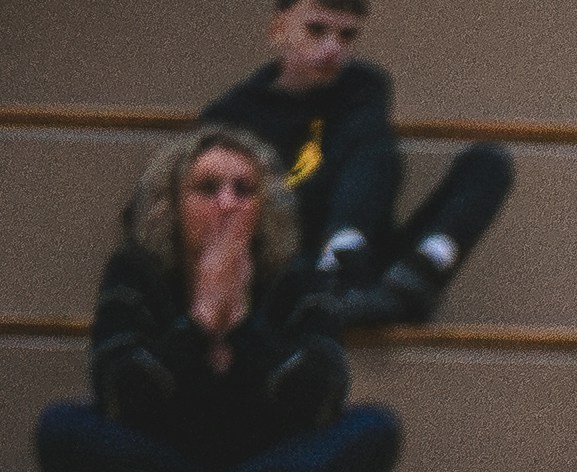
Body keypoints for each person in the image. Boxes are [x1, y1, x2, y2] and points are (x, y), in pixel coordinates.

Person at [29, 123, 400, 472]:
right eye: (207, 188)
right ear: (173, 204)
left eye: (244, 190)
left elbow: (321, 398)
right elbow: (117, 394)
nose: (227, 203)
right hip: (164, 458)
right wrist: (200, 323)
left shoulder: (299, 279)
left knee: (374, 428)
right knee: (60, 427)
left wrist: (242, 327)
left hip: (268, 459)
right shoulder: (134, 274)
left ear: (264, 208)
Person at [200, 0, 511, 332]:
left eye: (346, 36)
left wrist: (353, 244)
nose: (333, 48)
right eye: (316, 30)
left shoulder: (362, 86)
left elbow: (374, 167)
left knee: (488, 163)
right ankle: (345, 271)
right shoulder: (231, 117)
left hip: (373, 266)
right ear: (278, 29)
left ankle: (417, 271)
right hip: (297, 271)